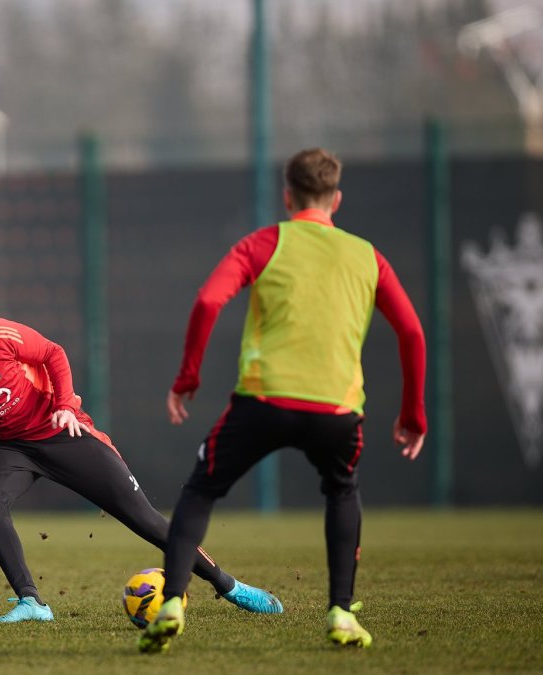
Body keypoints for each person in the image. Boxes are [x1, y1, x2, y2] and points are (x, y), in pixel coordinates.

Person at [138, 148, 427, 654]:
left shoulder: (265, 242)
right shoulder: (366, 255)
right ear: (336, 199)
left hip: (263, 403)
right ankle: (340, 611)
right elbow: (411, 331)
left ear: (288, 195)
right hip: (337, 411)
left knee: (201, 490)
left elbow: (208, 300)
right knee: (341, 490)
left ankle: (174, 601)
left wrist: (188, 377)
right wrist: (413, 413)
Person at [0, 318, 283, 624]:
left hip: (57, 430)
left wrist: (67, 406)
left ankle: (230, 587)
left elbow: (53, 353)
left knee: (144, 518)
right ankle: (31, 601)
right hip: (4, 450)